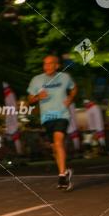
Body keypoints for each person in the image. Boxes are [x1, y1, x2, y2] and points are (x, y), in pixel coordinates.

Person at [27, 55, 76, 190]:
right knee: (54, 148)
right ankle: (65, 171)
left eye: (50, 64)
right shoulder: (36, 80)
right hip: (47, 118)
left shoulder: (65, 77)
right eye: (45, 64)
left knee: (58, 141)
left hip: (62, 115)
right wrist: (37, 97)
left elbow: (74, 88)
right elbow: (30, 99)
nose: (47, 66)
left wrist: (70, 98)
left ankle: (61, 177)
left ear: (57, 65)